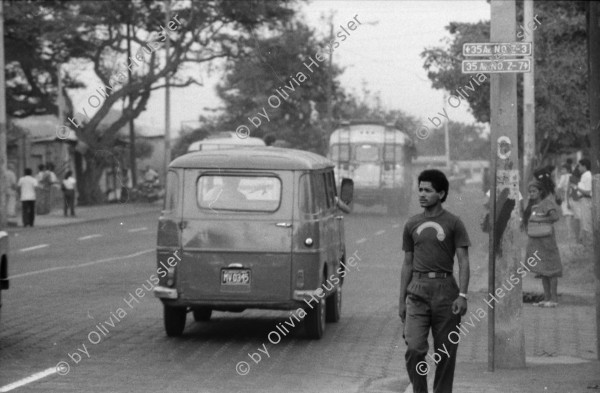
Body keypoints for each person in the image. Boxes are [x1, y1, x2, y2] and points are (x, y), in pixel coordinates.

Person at [399, 169, 470, 393]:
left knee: (445, 352)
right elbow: (407, 264)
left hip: (446, 292)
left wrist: (463, 295)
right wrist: (401, 301)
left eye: (427, 190)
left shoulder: (454, 223)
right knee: (415, 349)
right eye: (419, 189)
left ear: (441, 193)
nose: (422, 194)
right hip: (417, 292)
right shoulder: (411, 224)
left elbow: (464, 261)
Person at [523, 180, 562, 307]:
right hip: (537, 243)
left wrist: (539, 219)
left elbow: (555, 217)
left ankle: (554, 299)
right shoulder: (532, 206)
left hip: (547, 242)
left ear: (540, 192)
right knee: (543, 272)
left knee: (551, 270)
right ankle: (547, 298)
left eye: (534, 191)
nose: (531, 194)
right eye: (530, 192)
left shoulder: (547, 203)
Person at [571, 158, 592, 245]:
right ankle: (586, 243)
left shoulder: (588, 176)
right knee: (583, 222)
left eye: (579, 166)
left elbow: (588, 191)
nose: (578, 168)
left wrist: (576, 187)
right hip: (582, 201)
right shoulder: (584, 175)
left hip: (586, 201)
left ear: (584, 166)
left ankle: (589, 243)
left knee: (587, 223)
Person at [556, 163, 575, 240]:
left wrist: (558, 196)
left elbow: (559, 187)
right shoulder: (572, 176)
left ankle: (569, 234)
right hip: (573, 197)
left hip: (565, 198)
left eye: (563, 169)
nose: (562, 170)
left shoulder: (564, 177)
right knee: (573, 216)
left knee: (567, 216)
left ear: (568, 170)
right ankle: (573, 233)